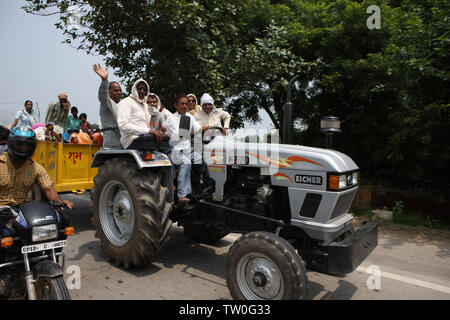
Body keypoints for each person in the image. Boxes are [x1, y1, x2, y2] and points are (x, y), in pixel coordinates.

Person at [0, 126, 73, 208]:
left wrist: (60, 203)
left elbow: (49, 190)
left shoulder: (36, 168)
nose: (24, 148)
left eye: (28, 145)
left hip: (21, 212)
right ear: (11, 144)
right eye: (19, 144)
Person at [165, 94, 202, 204]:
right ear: (175, 105)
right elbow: (178, 135)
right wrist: (193, 132)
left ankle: (199, 187)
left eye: (186, 104)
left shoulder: (190, 117)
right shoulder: (171, 119)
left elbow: (198, 128)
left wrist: (200, 130)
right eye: (182, 103)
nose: (185, 106)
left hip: (187, 149)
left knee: (201, 159)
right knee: (186, 162)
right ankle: (182, 194)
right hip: (176, 150)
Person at [117, 79, 165, 149]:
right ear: (134, 89)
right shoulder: (126, 102)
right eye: (139, 88)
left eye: (145, 89)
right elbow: (123, 125)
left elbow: (156, 113)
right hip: (132, 141)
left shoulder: (145, 105)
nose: (142, 91)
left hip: (146, 139)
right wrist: (149, 131)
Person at [93, 64, 123, 149]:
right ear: (109, 92)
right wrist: (104, 80)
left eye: (120, 90)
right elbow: (103, 94)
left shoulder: (123, 105)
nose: (119, 93)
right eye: (115, 90)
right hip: (112, 144)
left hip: (124, 142)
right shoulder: (106, 102)